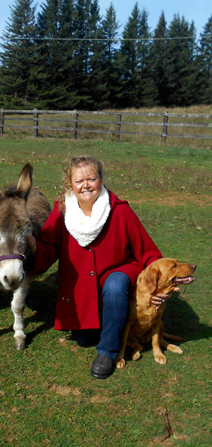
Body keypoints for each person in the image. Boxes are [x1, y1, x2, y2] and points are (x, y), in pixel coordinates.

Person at [27, 156, 167, 379]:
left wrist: (158, 288)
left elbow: (148, 253)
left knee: (115, 284)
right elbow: (49, 248)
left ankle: (108, 352)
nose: (85, 185)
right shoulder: (62, 211)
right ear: (69, 184)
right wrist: (32, 246)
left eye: (91, 178)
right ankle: (112, 327)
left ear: (101, 180)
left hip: (118, 270)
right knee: (85, 339)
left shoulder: (119, 210)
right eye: (79, 181)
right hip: (82, 285)